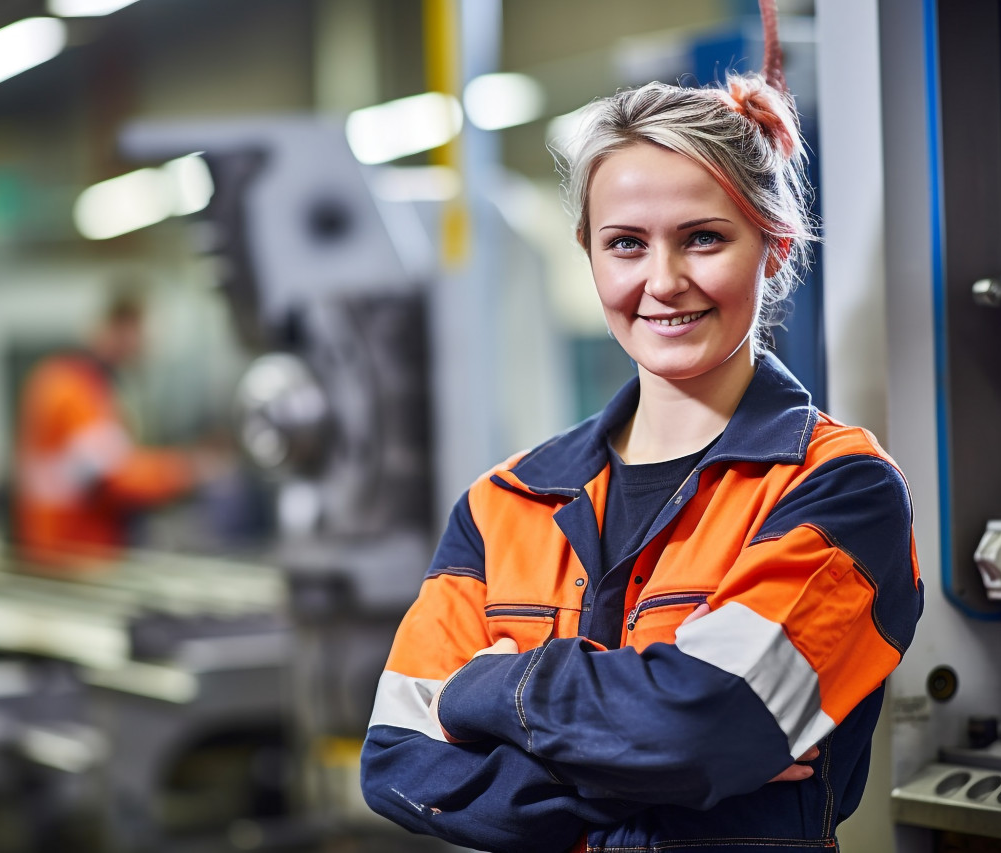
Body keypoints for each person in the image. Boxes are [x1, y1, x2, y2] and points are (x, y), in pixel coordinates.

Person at [360, 73, 924, 853]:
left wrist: (490, 689)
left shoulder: (839, 489)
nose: (662, 282)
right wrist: (658, 769)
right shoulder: (504, 503)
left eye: (703, 238)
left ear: (773, 248)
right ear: (589, 255)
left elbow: (704, 726)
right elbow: (397, 763)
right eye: (626, 243)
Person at [14, 291, 204, 564]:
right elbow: (114, 477)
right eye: (144, 334)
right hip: (75, 555)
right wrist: (186, 471)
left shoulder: (60, 377)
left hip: (63, 550)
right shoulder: (73, 389)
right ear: (124, 329)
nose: (147, 346)